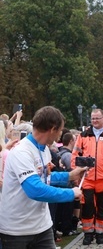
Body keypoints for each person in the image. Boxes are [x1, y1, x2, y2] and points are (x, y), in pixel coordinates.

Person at [0, 106, 85, 248]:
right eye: (59, 130)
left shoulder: (44, 148)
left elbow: (42, 178)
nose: (60, 136)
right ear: (52, 129)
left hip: (42, 226)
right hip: (16, 230)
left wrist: (69, 176)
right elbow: (35, 189)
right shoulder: (22, 152)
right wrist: (70, 193)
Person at [71, 108, 103, 245]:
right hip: (87, 178)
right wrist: (75, 174)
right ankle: (88, 233)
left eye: (97, 118)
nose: (94, 120)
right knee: (87, 207)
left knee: (102, 207)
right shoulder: (83, 135)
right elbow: (75, 155)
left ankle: (101, 234)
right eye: (93, 118)